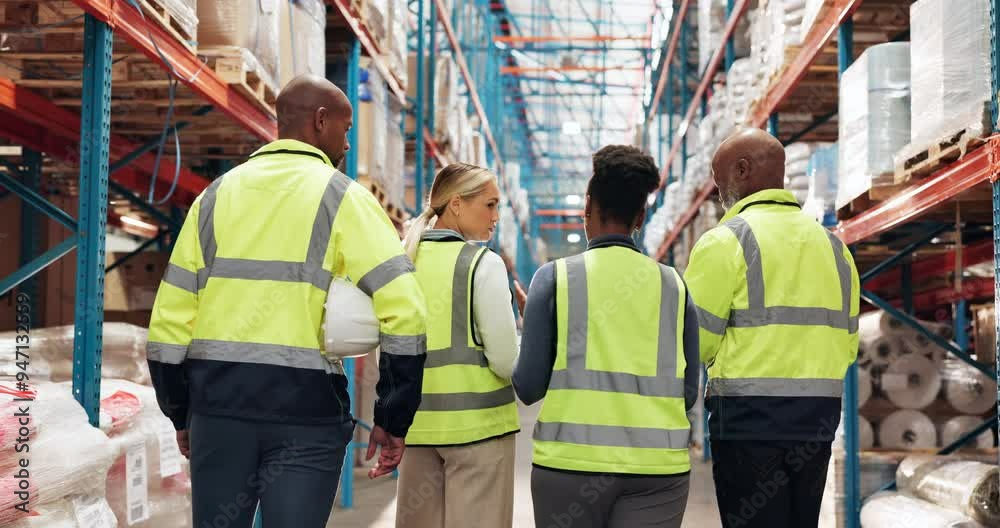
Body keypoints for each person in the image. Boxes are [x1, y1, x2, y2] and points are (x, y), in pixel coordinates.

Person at [145, 74, 428, 528]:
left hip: (219, 411)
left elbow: (169, 324)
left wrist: (181, 411)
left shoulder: (214, 198)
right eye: (346, 128)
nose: (349, 143)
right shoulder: (344, 199)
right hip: (306, 415)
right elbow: (407, 312)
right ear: (320, 122)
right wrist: (392, 416)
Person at [514, 145, 699, 528]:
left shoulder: (554, 279)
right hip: (657, 471)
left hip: (569, 468)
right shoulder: (674, 287)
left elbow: (529, 386)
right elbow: (688, 392)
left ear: (587, 208)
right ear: (641, 217)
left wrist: (531, 321)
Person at [684, 128, 860, 528]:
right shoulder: (834, 248)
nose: (717, 194)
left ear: (742, 170)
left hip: (749, 421)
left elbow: (694, 342)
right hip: (817, 419)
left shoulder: (725, 242)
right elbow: (848, 345)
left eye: (718, 180)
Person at [394, 163, 522, 528]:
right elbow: (505, 361)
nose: (496, 216)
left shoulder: (404, 263)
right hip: (479, 432)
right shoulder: (482, 264)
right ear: (456, 204)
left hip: (417, 429)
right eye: (490, 205)